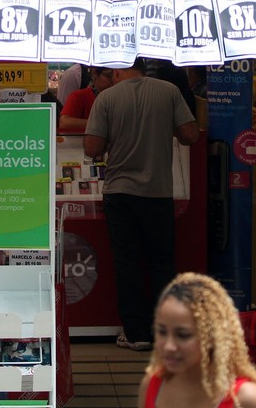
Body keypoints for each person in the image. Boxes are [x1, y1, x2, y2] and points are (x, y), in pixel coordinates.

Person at [85, 57, 200, 351]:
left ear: (116, 69)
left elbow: (92, 148)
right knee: (163, 263)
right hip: (159, 193)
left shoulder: (106, 98)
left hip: (120, 194)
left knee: (127, 263)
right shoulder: (169, 91)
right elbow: (190, 135)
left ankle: (136, 334)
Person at [138, 272, 256, 408]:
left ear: (212, 337)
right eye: (162, 332)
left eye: (183, 335)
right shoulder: (152, 385)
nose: (169, 346)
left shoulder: (250, 399)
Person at [59, 67, 114, 132]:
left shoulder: (121, 96)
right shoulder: (79, 96)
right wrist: (101, 124)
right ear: (95, 74)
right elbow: (65, 123)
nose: (113, 80)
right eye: (109, 76)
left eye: (117, 76)